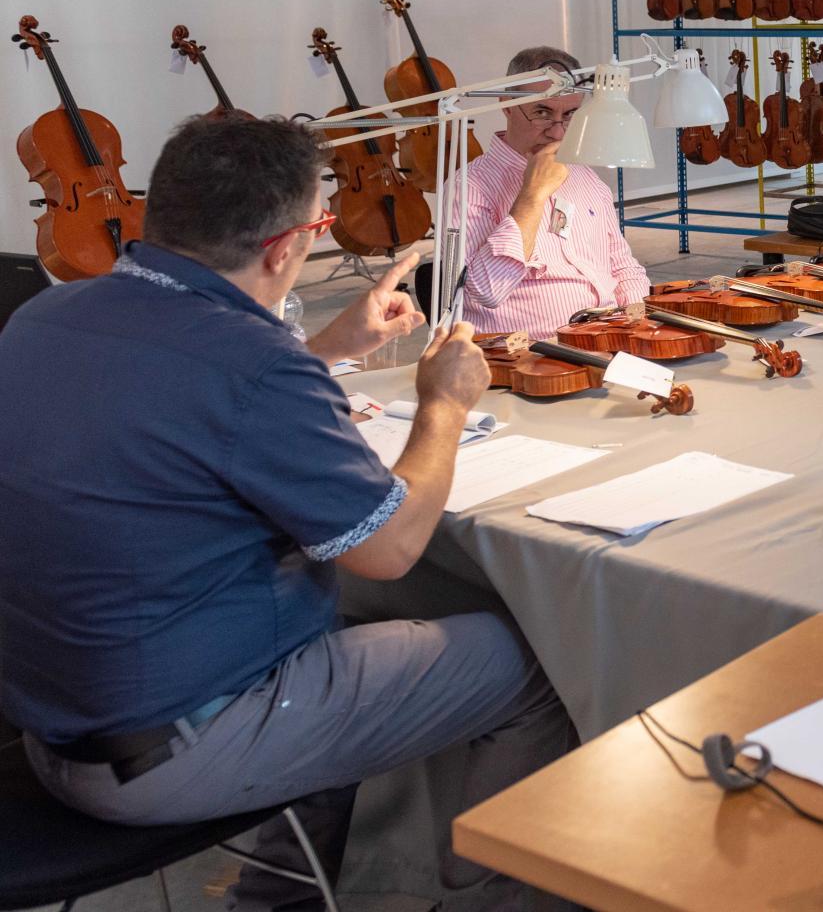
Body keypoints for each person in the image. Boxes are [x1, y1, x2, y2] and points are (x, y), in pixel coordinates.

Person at [0, 116, 573, 910]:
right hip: (171, 750)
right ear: (286, 247)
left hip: (56, 724)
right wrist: (442, 405)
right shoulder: (253, 363)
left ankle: (279, 893)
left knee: (337, 629)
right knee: (527, 663)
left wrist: (327, 349)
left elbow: (179, 407)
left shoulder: (43, 319)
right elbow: (392, 547)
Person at [462, 45, 650, 337]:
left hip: (608, 341)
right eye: (542, 112)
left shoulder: (586, 179)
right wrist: (532, 195)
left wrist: (639, 325)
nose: (558, 133)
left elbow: (624, 268)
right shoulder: (470, 188)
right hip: (530, 358)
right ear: (507, 105)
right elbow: (487, 290)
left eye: (570, 114)